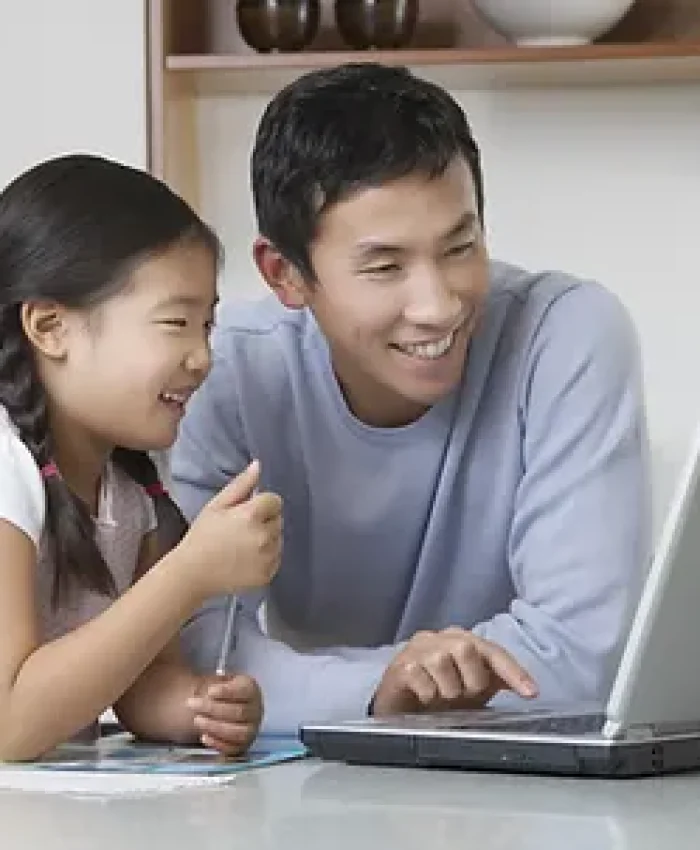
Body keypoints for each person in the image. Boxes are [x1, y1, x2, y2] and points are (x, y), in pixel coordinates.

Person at [171, 63, 651, 734]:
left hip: (527, 793)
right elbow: (198, 660)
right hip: (313, 786)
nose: (439, 306)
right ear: (284, 274)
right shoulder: (228, 375)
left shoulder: (566, 335)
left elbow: (581, 658)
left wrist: (344, 695)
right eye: (385, 267)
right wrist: (382, 691)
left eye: (461, 247)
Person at [0, 154, 283, 761]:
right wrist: (189, 574)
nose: (202, 357)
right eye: (175, 322)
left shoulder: (132, 480)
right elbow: (9, 723)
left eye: (206, 326)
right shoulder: (6, 467)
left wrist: (198, 707)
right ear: (50, 327)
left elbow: (136, 684)